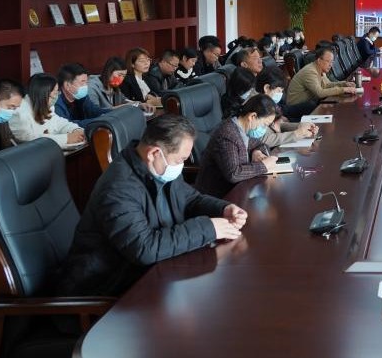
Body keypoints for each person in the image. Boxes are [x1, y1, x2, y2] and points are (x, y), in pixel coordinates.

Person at [57, 115, 246, 296]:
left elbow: (190, 199)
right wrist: (208, 228)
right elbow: (144, 249)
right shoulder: (117, 189)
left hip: (149, 273)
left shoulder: (158, 167)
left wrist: (223, 209)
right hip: (108, 288)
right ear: (154, 153)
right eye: (180, 160)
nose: (181, 165)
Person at [196, 95, 281, 198]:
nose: (265, 129)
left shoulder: (245, 129)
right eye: (264, 125)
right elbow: (234, 174)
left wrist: (257, 152)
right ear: (252, 116)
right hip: (217, 196)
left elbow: (261, 144)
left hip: (239, 189)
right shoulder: (228, 134)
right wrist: (264, 165)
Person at [9, 73, 85, 147]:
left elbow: (58, 122)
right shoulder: (19, 111)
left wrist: (75, 130)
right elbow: (29, 139)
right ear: (43, 94)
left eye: (57, 92)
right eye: (54, 93)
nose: (56, 96)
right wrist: (66, 139)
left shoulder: (47, 104)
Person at [249, 68, 319, 147]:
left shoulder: (266, 101)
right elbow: (262, 140)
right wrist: (296, 134)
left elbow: (277, 125)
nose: (280, 94)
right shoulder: (254, 106)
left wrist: (301, 127)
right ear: (267, 88)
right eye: (279, 91)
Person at [285, 47, 356, 119]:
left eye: (332, 62)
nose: (330, 65)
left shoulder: (320, 69)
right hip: (295, 107)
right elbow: (319, 93)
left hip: (308, 103)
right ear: (319, 60)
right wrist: (343, 89)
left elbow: (327, 85)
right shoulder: (310, 72)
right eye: (328, 61)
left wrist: (344, 84)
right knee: (325, 108)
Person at [86, 56, 151, 113]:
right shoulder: (92, 87)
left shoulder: (114, 86)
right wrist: (124, 107)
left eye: (123, 76)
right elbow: (94, 112)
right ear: (109, 72)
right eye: (119, 75)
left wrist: (139, 105)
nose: (121, 79)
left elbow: (124, 100)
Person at [56, 63, 109, 128]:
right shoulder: (56, 104)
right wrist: (98, 120)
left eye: (86, 82)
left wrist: (112, 113)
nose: (85, 86)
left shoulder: (81, 96)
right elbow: (67, 126)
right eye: (82, 82)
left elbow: (94, 110)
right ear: (67, 85)